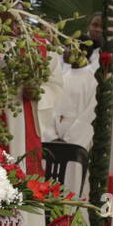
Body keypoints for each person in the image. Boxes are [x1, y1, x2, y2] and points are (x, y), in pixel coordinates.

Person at [39, 46, 98, 197]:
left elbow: (90, 113)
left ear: (83, 51)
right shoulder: (62, 76)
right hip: (55, 139)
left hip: (77, 141)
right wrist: (52, 135)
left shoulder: (93, 80)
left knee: (75, 182)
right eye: (66, 48)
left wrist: (70, 139)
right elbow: (50, 105)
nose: (65, 51)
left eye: (71, 49)